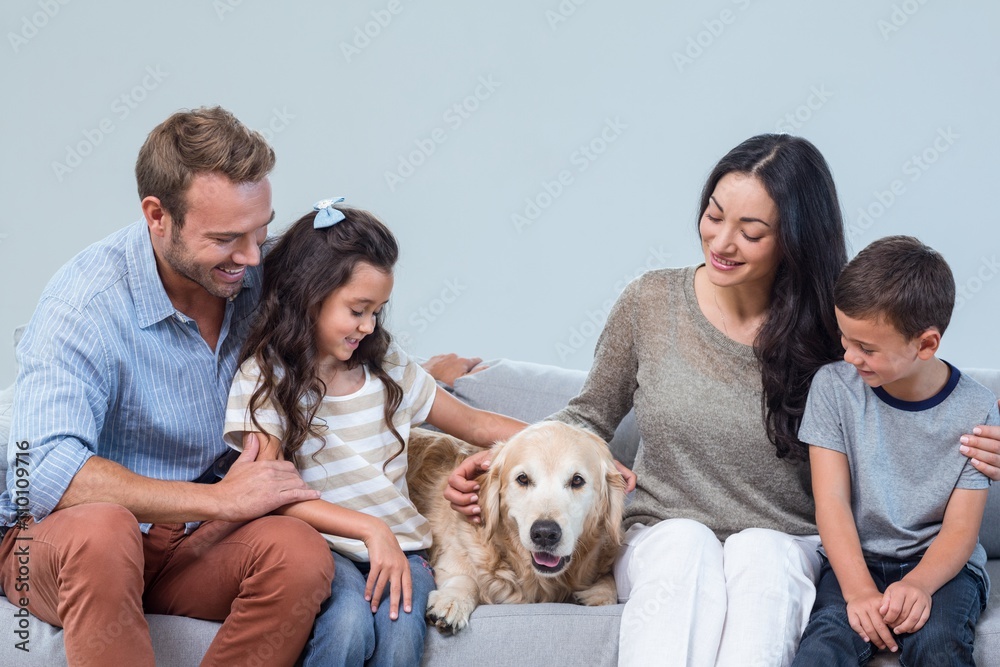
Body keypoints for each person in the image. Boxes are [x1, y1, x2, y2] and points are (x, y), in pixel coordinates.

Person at [447, 134, 848, 666]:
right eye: (714, 215)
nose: (722, 242)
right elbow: (586, 418)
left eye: (750, 232)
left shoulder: (834, 331)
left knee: (762, 553)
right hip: (662, 534)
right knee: (685, 543)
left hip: (784, 541)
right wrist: (505, 454)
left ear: (795, 240)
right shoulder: (651, 302)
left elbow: (899, 412)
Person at [0, 106, 336, 665]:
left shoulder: (257, 273)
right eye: (228, 238)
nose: (253, 257)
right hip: (56, 542)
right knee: (105, 532)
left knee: (298, 553)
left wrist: (425, 373)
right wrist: (222, 500)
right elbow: (42, 473)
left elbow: (346, 326)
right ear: (158, 216)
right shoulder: (84, 302)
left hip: (190, 543)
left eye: (261, 229)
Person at [222, 199, 525, 667]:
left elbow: (477, 424)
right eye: (358, 310)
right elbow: (268, 493)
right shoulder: (264, 378)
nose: (368, 326)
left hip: (404, 548)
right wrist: (370, 530)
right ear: (309, 294)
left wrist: (580, 447)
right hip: (326, 549)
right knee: (345, 626)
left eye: (377, 313)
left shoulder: (388, 368)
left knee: (401, 633)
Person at [793, 236, 998, 666]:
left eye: (867, 348)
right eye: (845, 339)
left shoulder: (977, 409)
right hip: (856, 560)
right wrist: (859, 591)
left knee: (939, 645)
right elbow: (830, 500)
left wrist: (920, 584)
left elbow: (962, 529)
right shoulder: (833, 388)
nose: (850, 356)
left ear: (925, 345)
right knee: (822, 648)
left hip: (943, 567)